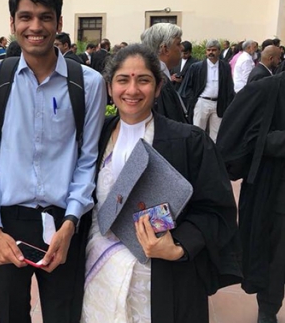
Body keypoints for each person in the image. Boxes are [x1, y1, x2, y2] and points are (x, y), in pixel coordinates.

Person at [0, 0, 106, 323]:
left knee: (64, 315)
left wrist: (71, 222)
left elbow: (88, 158)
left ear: (59, 24)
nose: (35, 27)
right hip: (7, 223)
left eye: (45, 17)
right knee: (11, 315)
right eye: (25, 17)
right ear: (13, 23)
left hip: (64, 224)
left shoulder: (87, 83)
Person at [82, 44, 241, 323]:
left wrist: (178, 246)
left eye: (143, 80)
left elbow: (217, 210)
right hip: (98, 277)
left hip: (161, 280)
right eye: (123, 80)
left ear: (158, 88)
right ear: (109, 87)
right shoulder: (94, 136)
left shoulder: (189, 142)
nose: (132, 90)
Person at [216, 72, 285, 323]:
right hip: (276, 191)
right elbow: (245, 140)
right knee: (276, 257)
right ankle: (268, 308)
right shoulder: (267, 90)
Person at [179, 39, 235, 142]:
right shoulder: (196, 67)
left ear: (219, 51)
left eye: (213, 50)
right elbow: (187, 87)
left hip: (219, 104)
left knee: (216, 134)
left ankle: (212, 155)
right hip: (202, 102)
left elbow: (229, 87)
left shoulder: (225, 67)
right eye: (208, 50)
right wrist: (194, 101)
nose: (211, 52)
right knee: (197, 132)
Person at [141, 23, 189, 123]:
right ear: (165, 49)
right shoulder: (158, 82)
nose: (182, 48)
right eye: (178, 43)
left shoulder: (159, 77)